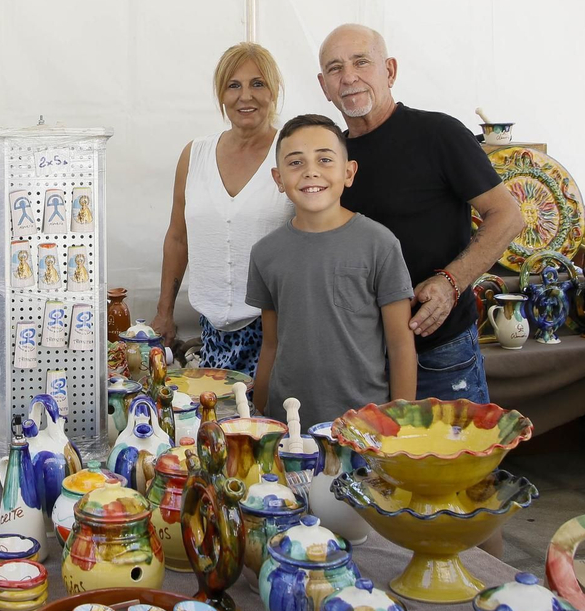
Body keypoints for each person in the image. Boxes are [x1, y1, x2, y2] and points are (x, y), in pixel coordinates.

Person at [318, 25, 524, 402]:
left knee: (450, 460)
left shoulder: (439, 134)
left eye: (361, 62)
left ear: (390, 71)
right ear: (323, 85)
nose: (348, 77)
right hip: (359, 361)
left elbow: (508, 216)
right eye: (335, 68)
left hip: (438, 354)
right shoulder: (330, 158)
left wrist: (450, 282)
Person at [246, 114, 416, 427]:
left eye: (325, 159)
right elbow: (270, 344)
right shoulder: (265, 253)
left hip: (364, 426)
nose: (311, 172)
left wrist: (399, 424)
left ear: (348, 172)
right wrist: (261, 416)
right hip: (288, 426)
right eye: (295, 163)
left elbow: (401, 345)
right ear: (278, 178)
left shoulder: (380, 244)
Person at [152, 43, 294, 377]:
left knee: (267, 424)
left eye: (258, 83)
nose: (246, 96)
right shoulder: (195, 154)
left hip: (278, 332)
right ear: (221, 95)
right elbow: (177, 238)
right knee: (215, 424)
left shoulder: (291, 151)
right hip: (213, 336)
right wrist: (164, 312)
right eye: (234, 85)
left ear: (274, 91)